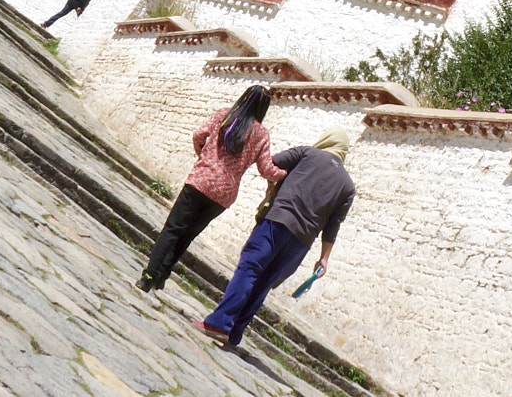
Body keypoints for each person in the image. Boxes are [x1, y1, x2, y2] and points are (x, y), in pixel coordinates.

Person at [195, 127, 356, 350]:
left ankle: (220, 323)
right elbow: (332, 226)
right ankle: (233, 334)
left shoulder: (306, 153)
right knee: (263, 284)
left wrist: (282, 181)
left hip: (277, 222)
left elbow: (271, 164)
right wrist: (324, 259)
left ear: (326, 140)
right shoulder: (348, 186)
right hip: (300, 244)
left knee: (249, 269)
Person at [138, 85, 283, 292]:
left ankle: (149, 275)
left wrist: (204, 157)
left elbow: (198, 135)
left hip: (201, 180)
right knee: (188, 234)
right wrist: (285, 174)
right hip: (223, 195)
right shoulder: (261, 134)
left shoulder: (225, 116)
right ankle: (162, 274)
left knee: (173, 228)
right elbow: (267, 170)